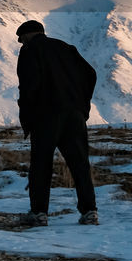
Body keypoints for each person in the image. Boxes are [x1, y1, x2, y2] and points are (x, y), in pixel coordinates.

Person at [15, 19, 99, 226]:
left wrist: (27, 114)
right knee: (79, 163)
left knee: (41, 165)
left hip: (45, 115)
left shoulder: (29, 52)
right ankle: (89, 211)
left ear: (27, 36)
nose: (20, 43)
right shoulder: (66, 48)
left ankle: (39, 212)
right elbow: (91, 74)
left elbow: (28, 86)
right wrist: (82, 105)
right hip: (74, 114)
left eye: (21, 39)